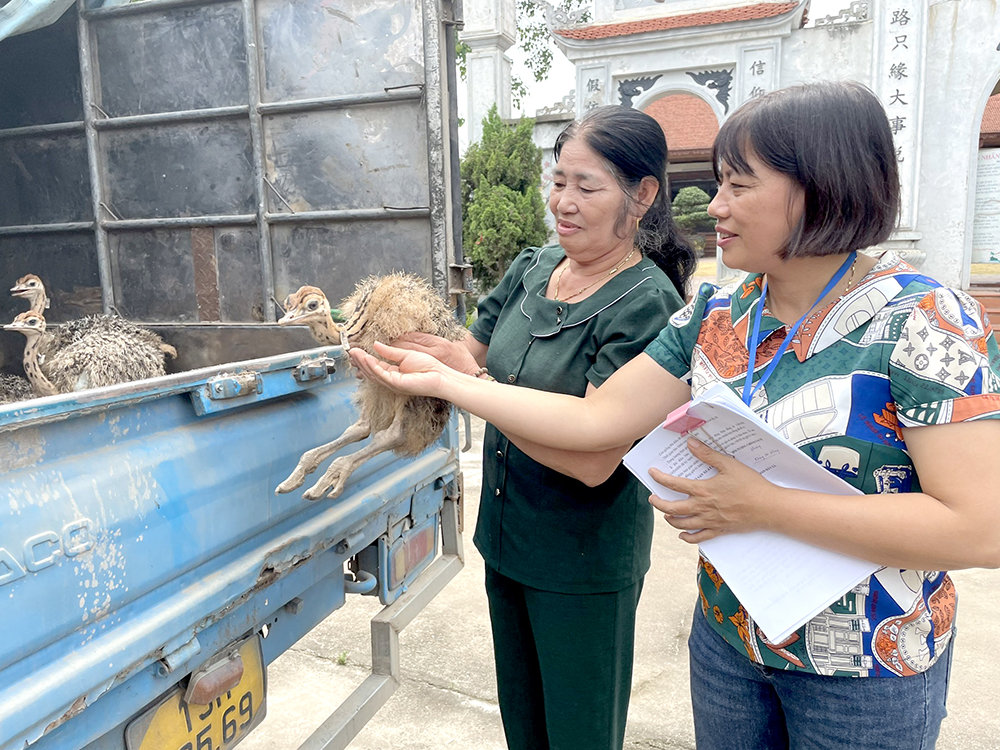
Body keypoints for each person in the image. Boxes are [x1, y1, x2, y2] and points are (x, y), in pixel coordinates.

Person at [351, 81, 1000, 750]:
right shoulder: (719, 316)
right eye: (718, 183)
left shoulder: (925, 322)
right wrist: (453, 380)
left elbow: (981, 527)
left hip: (864, 669)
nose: (714, 206)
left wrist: (768, 506)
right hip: (730, 645)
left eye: (739, 187)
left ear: (820, 188)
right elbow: (596, 422)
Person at [389, 105, 695, 750]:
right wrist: (411, 348)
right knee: (523, 727)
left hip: (582, 559)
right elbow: (469, 354)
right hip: (506, 537)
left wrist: (471, 391)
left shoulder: (646, 302)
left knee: (580, 733)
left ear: (641, 197)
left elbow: (593, 458)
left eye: (588, 187)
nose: (565, 202)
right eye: (559, 182)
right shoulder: (531, 268)